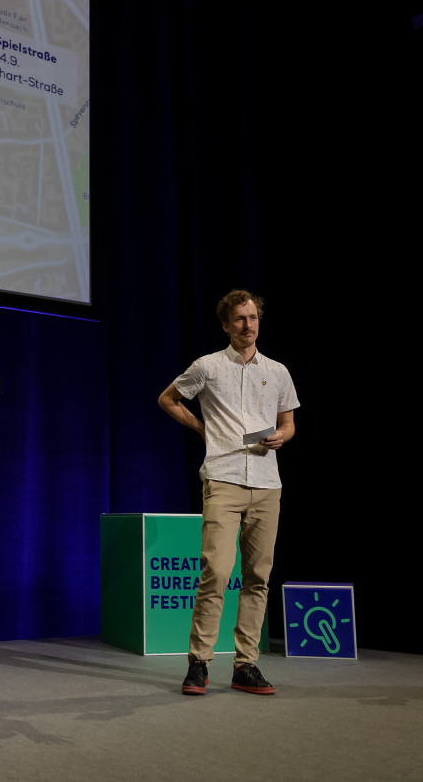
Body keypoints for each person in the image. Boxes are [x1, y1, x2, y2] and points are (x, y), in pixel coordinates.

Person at [157, 289, 298, 697]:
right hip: (223, 478)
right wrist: (203, 429)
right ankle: (199, 663)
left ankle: (245, 665)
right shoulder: (208, 366)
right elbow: (168, 399)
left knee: (258, 578)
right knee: (217, 573)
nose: (247, 325)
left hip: (267, 484)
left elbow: (288, 423)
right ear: (226, 325)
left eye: (252, 317)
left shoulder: (278, 371)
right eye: (239, 318)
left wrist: (282, 437)